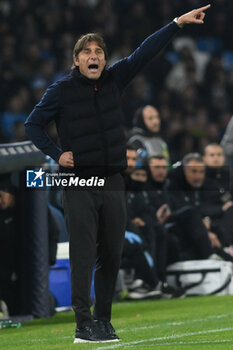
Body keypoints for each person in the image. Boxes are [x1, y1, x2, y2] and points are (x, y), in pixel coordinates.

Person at [24, 5, 211, 344]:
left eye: (99, 52)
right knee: (82, 252)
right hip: (79, 181)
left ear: (104, 60)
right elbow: (32, 125)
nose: (93, 56)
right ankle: (83, 325)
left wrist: (176, 23)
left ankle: (103, 320)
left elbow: (145, 52)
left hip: (113, 180)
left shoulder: (115, 78)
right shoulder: (60, 90)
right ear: (76, 60)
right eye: (87, 52)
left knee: (111, 251)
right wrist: (57, 154)